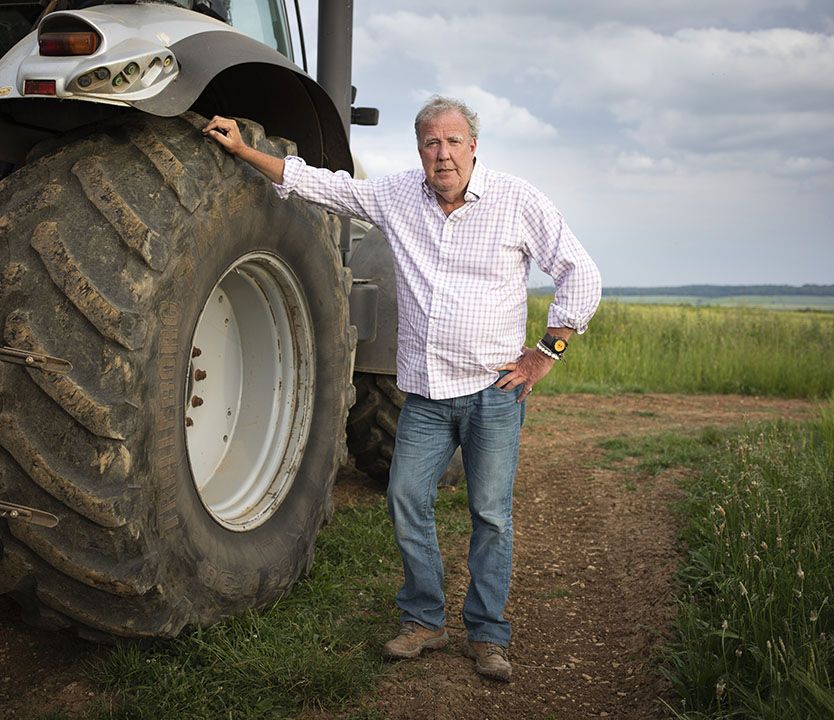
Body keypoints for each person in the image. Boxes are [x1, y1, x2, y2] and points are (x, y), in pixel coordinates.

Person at [203, 96, 601, 682]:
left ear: (473, 146)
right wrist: (245, 150)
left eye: (453, 142)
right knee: (404, 497)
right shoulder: (396, 197)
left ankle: (488, 634)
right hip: (426, 398)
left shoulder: (517, 201)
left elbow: (580, 272)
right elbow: (322, 186)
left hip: (494, 393)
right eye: (430, 144)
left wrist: (548, 352)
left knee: (490, 514)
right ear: (420, 151)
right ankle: (424, 620)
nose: (442, 155)